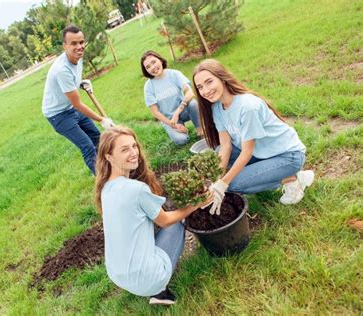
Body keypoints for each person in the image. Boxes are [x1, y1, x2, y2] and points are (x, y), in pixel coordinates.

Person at [95, 126, 209, 305]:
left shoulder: (105, 189)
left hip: (118, 275)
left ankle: (150, 283)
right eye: (124, 149)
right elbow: (165, 221)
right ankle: (160, 291)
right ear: (109, 157)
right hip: (148, 279)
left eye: (134, 146)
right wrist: (195, 205)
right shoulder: (137, 189)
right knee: (177, 222)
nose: (134, 153)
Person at [192, 59, 315, 214]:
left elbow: (247, 151)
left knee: (234, 184)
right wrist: (217, 179)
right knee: (219, 152)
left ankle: (293, 179)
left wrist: (224, 183)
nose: (206, 90)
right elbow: (226, 145)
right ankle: (276, 175)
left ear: (222, 78)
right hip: (262, 152)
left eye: (209, 82)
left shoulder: (247, 107)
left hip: (287, 156)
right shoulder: (217, 107)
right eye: (200, 87)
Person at [42, 25, 114, 175]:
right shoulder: (61, 70)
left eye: (81, 42)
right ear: (65, 46)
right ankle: (106, 183)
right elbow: (77, 104)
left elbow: (72, 81)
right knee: (87, 146)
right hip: (58, 115)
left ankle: (112, 170)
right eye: (73, 43)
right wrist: (102, 120)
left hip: (68, 107)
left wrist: (80, 83)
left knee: (97, 138)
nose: (79, 47)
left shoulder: (77, 58)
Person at [141, 51, 203, 145]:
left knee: (193, 103)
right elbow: (155, 112)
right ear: (146, 70)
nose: (153, 67)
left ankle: (200, 131)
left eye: (154, 62)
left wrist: (177, 112)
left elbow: (190, 93)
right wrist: (172, 124)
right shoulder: (148, 87)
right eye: (148, 67)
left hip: (184, 110)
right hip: (169, 119)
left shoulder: (174, 74)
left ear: (160, 60)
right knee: (181, 140)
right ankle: (182, 131)